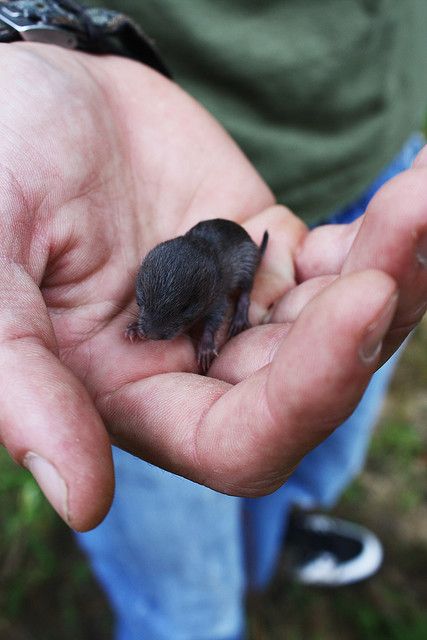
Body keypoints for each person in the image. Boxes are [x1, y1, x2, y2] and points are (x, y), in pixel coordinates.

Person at [0, 1, 426, 639]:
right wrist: (26, 30)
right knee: (188, 601)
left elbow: (228, 303)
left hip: (372, 125)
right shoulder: (166, 271)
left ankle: (279, 532)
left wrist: (211, 334)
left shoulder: (220, 280)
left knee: (314, 439)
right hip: (142, 144)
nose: (150, 327)